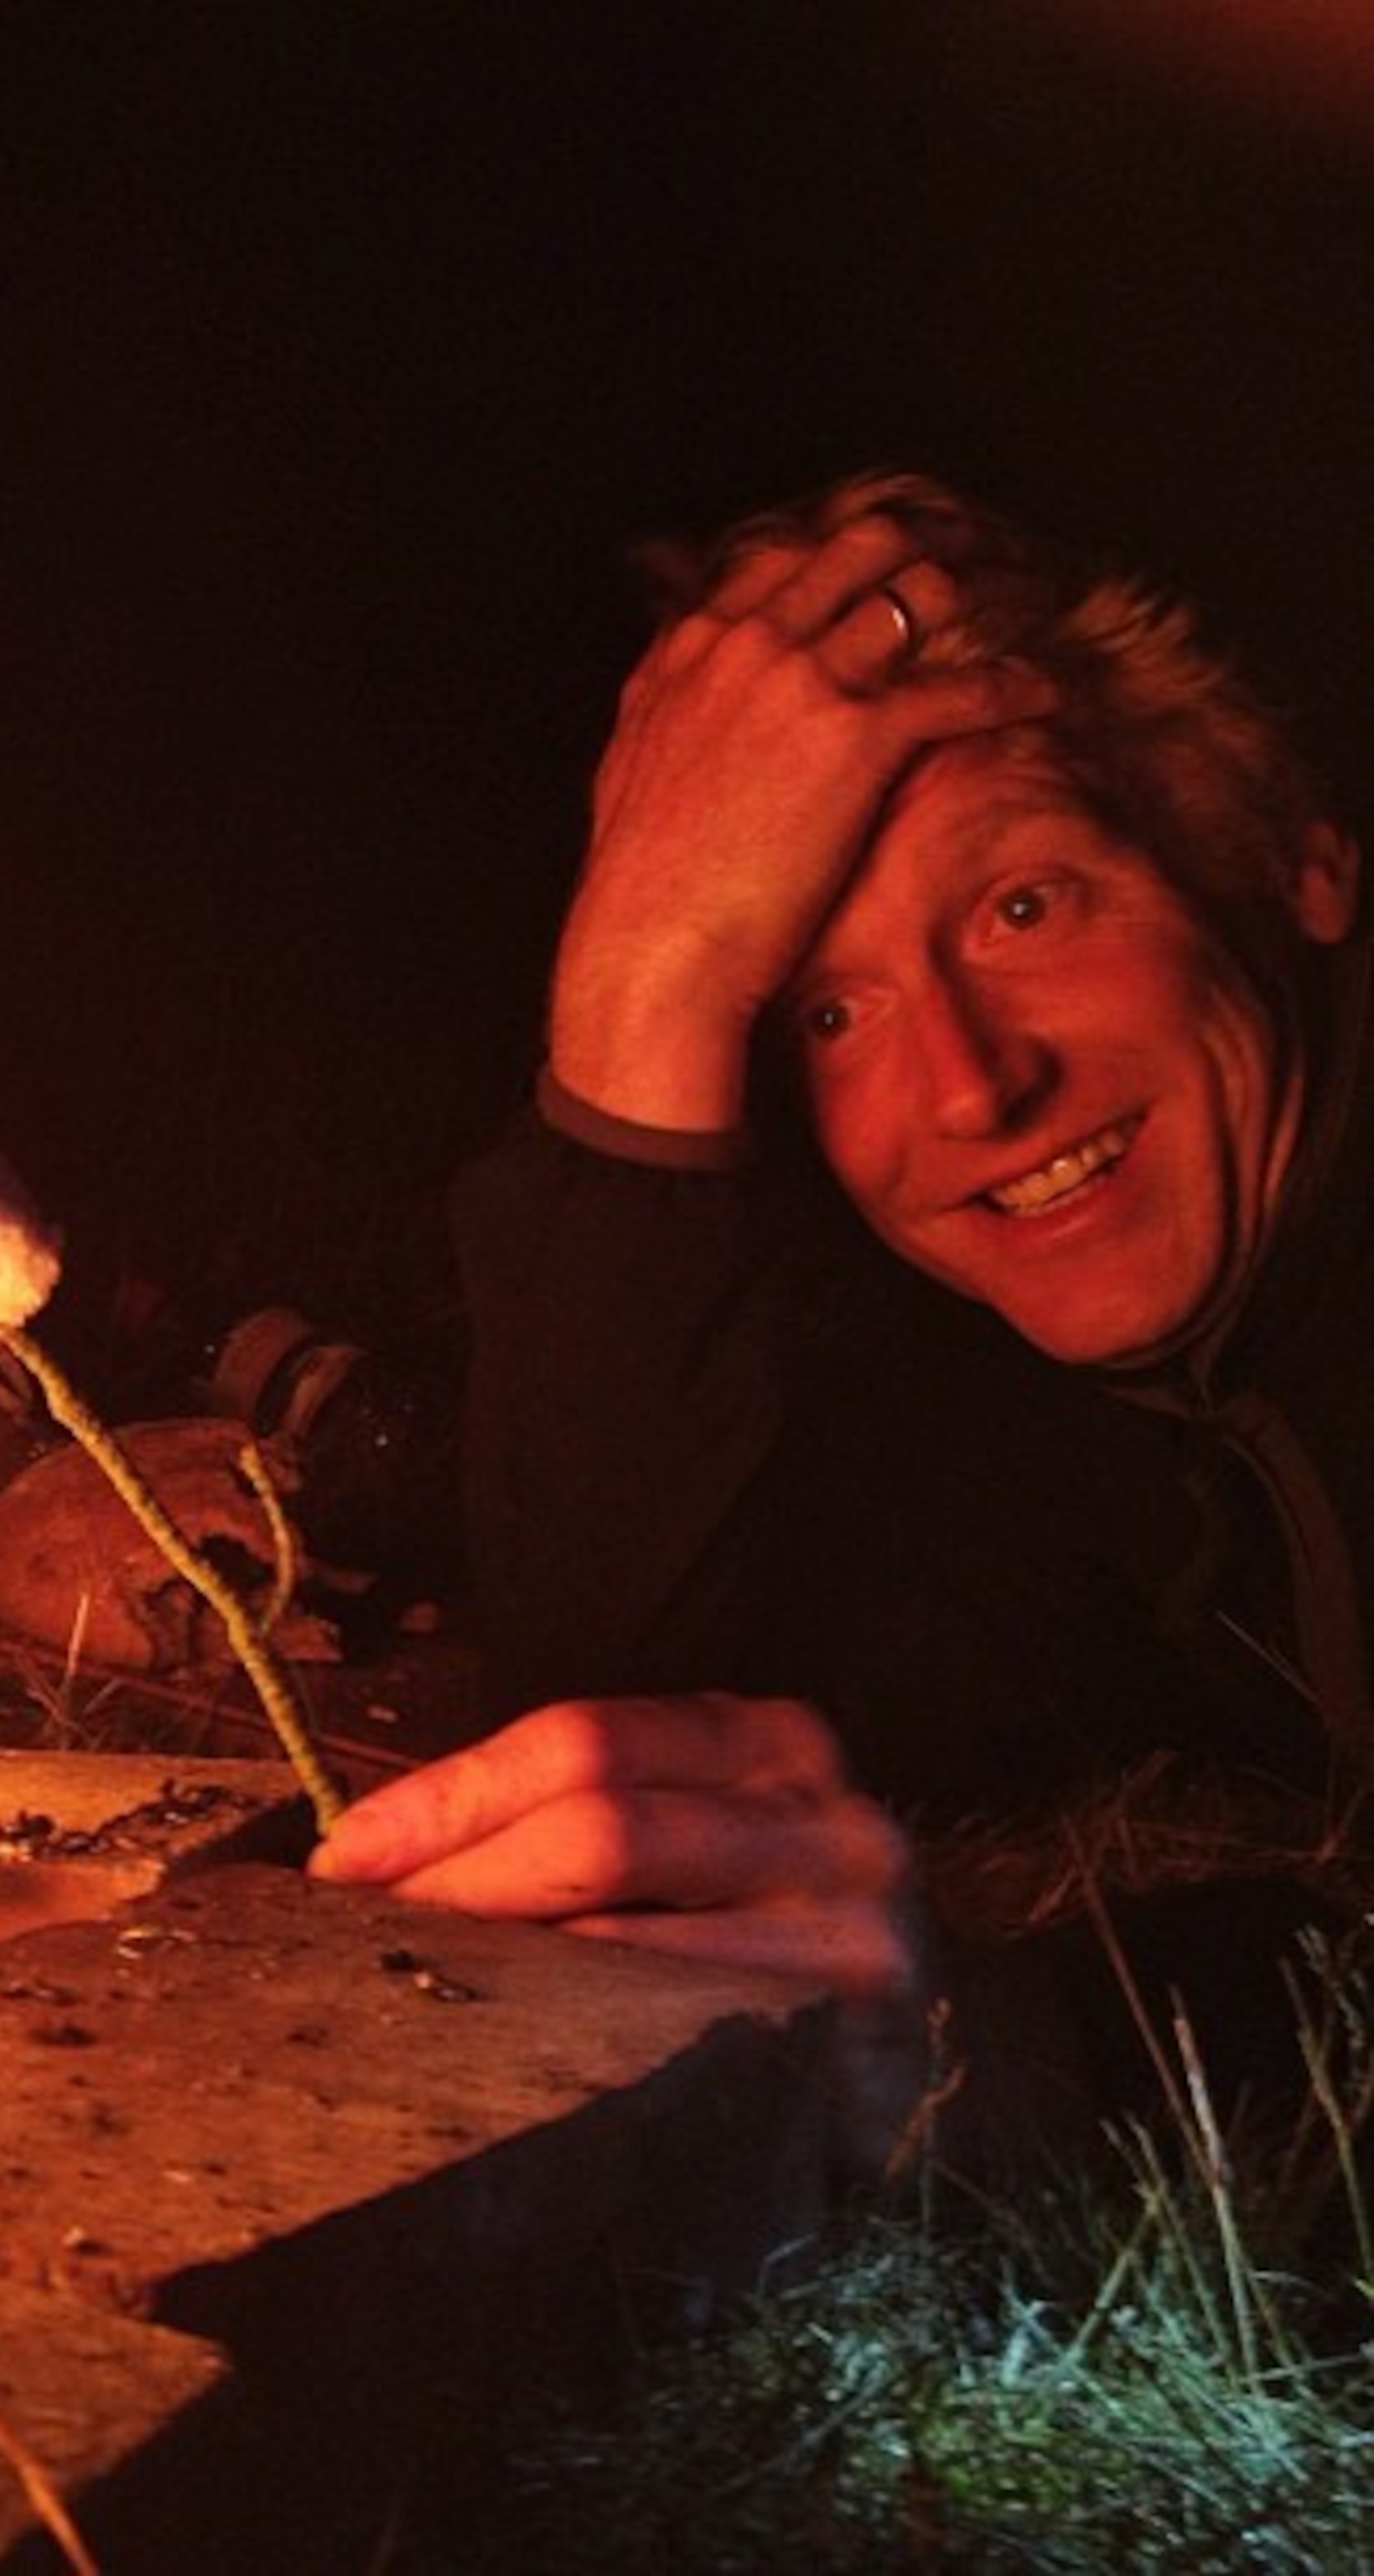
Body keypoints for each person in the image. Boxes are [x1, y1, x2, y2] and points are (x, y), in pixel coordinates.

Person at [313, 469, 1371, 2167]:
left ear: (1291, 852)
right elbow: (630, 1782)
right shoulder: (1059, 1409)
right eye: (825, 1004)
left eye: (1027, 907)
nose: (967, 1089)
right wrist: (641, 989)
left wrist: (1041, 2047)